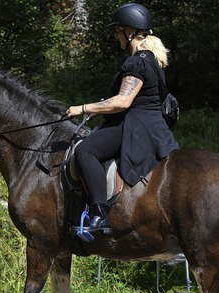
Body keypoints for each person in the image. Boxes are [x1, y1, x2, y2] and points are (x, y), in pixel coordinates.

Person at [65, 3, 179, 233]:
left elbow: (122, 102)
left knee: (85, 151)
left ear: (129, 32)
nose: (116, 37)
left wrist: (83, 108)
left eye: (117, 32)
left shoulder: (136, 61)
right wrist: (98, 109)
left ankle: (98, 214)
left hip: (135, 126)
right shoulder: (154, 59)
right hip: (155, 128)